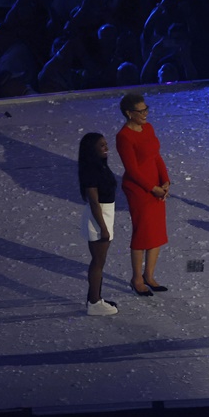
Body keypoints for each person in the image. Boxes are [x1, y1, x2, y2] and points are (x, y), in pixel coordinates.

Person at [116, 93, 170, 296]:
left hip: (155, 186)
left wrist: (165, 181)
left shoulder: (148, 128)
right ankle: (137, 278)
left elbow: (156, 156)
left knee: (155, 232)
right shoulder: (124, 136)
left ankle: (149, 275)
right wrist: (153, 188)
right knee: (142, 233)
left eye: (146, 109)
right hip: (139, 190)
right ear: (129, 113)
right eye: (141, 111)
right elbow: (132, 170)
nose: (145, 114)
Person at [78, 133, 119, 316]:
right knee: (98, 262)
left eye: (106, 144)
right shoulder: (91, 170)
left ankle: (95, 298)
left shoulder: (99, 166)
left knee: (99, 261)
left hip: (105, 213)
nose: (106, 148)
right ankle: (94, 302)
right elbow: (94, 202)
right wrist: (103, 227)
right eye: (101, 146)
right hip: (99, 216)